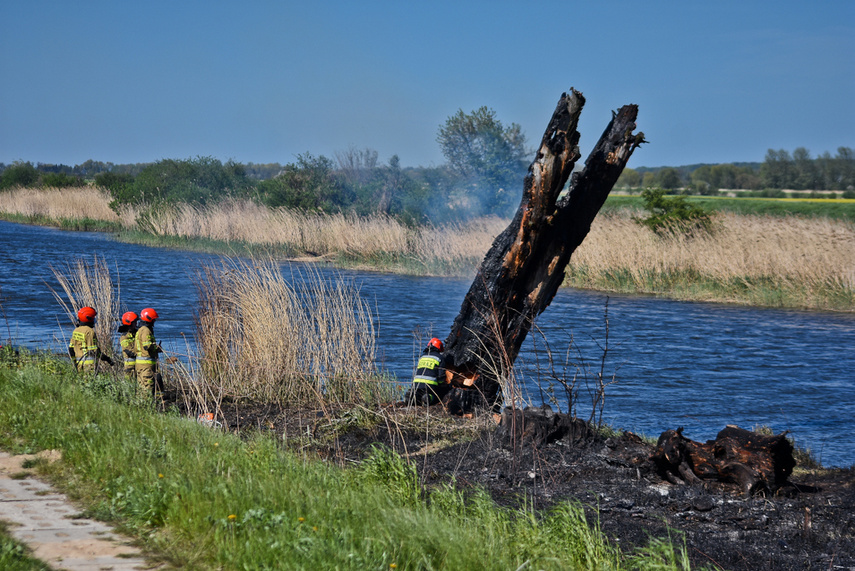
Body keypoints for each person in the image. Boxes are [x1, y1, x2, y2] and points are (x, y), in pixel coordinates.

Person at [68, 306, 113, 373]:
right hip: (89, 367)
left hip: (79, 365)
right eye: (93, 318)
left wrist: (75, 363)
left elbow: (71, 349)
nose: (94, 320)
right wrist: (107, 359)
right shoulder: (90, 331)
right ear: (89, 318)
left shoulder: (76, 331)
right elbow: (94, 351)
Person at [406, 337, 450, 406]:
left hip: (416, 384)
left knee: (418, 395)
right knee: (439, 395)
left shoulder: (422, 357)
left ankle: (412, 396)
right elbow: (441, 376)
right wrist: (444, 384)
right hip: (430, 386)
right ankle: (429, 398)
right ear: (439, 347)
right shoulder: (440, 358)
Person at [134, 307, 162, 395]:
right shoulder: (146, 330)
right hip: (146, 364)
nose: (154, 322)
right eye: (153, 320)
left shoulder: (140, 330)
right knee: (147, 388)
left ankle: (141, 406)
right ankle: (147, 406)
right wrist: (157, 349)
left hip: (141, 364)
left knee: (141, 387)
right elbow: (147, 346)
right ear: (149, 319)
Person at [118, 311, 138, 379]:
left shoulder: (135, 333)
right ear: (129, 323)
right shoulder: (124, 336)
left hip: (137, 366)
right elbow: (129, 351)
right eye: (134, 322)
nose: (136, 324)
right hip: (130, 367)